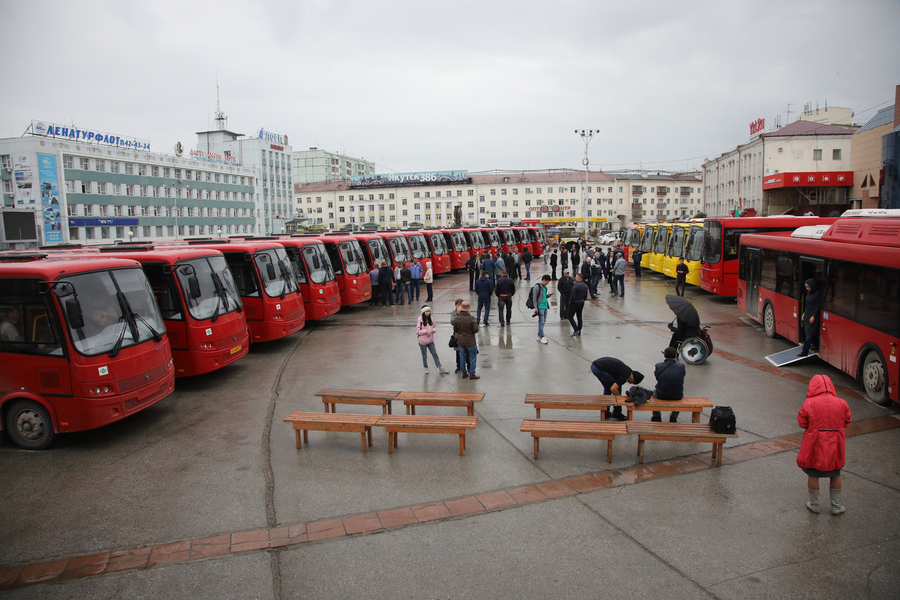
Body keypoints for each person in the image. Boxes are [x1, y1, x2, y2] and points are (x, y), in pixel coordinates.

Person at [797, 374, 851, 515]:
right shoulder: (842, 403)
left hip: (815, 444)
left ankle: (814, 505)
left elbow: (802, 423)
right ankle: (836, 507)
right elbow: (846, 421)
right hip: (835, 445)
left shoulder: (809, 403)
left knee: (813, 473)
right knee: (835, 473)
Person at [651, 347, 686, 422]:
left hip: (661, 394)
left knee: (653, 393)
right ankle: (673, 417)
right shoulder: (681, 366)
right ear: (676, 355)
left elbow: (657, 378)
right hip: (677, 395)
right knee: (680, 393)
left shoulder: (658, 365)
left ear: (664, 355)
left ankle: (656, 416)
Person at [416, 306, 449, 374]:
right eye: (426, 311)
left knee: (434, 354)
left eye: (429, 311)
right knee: (424, 355)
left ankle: (440, 367)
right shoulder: (420, 321)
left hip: (430, 340)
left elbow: (434, 327)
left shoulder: (431, 319)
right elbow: (418, 331)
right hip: (423, 341)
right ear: (423, 312)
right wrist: (425, 331)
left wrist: (434, 330)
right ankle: (426, 367)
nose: (428, 313)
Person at [454, 300, 480, 379]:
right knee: (472, 357)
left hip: (461, 341)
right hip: (470, 341)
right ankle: (472, 373)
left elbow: (455, 330)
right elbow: (476, 330)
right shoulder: (471, 318)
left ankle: (464, 372)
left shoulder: (457, 318)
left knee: (462, 357)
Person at [799, 278, 821, 357]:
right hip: (807, 314)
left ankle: (804, 352)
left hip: (813, 316)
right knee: (810, 334)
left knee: (809, 334)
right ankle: (817, 345)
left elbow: (818, 306)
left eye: (808, 287)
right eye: (806, 287)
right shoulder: (809, 293)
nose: (807, 288)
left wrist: (814, 315)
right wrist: (804, 313)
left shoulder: (818, 294)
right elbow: (807, 305)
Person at [532, 275, 552, 344]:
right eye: (547, 282)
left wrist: (548, 296)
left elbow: (543, 296)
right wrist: (535, 307)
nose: (547, 283)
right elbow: (535, 297)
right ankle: (542, 337)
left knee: (543, 322)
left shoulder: (545, 288)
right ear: (544, 280)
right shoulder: (537, 287)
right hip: (540, 307)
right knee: (541, 322)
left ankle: (539, 334)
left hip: (545, 306)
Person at [568, 273, 589, 337]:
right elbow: (585, 295)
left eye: (576, 277)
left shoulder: (576, 285)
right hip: (581, 302)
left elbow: (573, 294)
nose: (575, 278)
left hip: (575, 302)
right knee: (579, 316)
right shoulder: (585, 285)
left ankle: (576, 329)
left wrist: (570, 301)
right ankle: (579, 329)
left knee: (570, 316)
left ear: (578, 278)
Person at [450, 298, 463, 373]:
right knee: (458, 352)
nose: (459, 307)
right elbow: (452, 322)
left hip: (464, 335)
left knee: (465, 352)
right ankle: (458, 367)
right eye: (458, 305)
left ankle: (466, 367)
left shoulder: (466, 312)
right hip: (457, 335)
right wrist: (458, 314)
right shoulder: (453, 313)